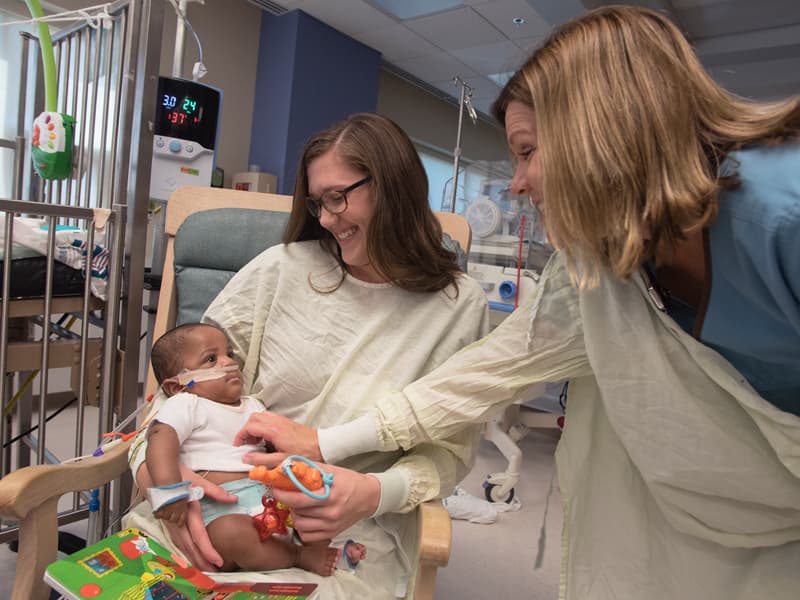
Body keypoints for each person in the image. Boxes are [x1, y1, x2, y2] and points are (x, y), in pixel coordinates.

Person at [235, 6, 800, 600]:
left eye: (527, 151)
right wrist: (320, 444)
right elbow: (482, 375)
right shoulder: (601, 261)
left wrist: (359, 475)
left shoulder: (779, 222)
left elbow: (467, 402)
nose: (516, 182)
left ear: (605, 132)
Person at [125, 112, 490, 599]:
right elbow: (174, 398)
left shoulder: (457, 306)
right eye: (317, 202)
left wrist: (371, 494)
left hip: (342, 534)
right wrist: (161, 479)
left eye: (338, 197)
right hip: (209, 506)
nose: (324, 219)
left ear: (395, 186)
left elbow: (447, 454)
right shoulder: (279, 269)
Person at [144, 322, 341, 576]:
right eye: (211, 359)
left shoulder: (253, 405)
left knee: (316, 506)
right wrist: (169, 492)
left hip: (271, 500)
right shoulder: (187, 403)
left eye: (229, 354)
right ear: (178, 385)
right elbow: (160, 441)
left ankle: (321, 546)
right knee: (233, 535)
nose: (228, 362)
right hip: (219, 514)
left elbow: (277, 446)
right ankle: (299, 556)